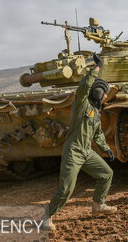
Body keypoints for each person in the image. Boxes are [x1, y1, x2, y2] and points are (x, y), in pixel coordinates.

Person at [43, 53, 117, 231]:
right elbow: (84, 87)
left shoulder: (96, 112)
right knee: (67, 188)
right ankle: (47, 216)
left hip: (86, 152)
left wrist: (106, 148)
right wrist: (96, 68)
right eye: (104, 94)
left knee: (106, 174)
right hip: (73, 151)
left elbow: (98, 134)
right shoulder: (82, 104)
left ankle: (98, 205)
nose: (106, 97)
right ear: (98, 93)